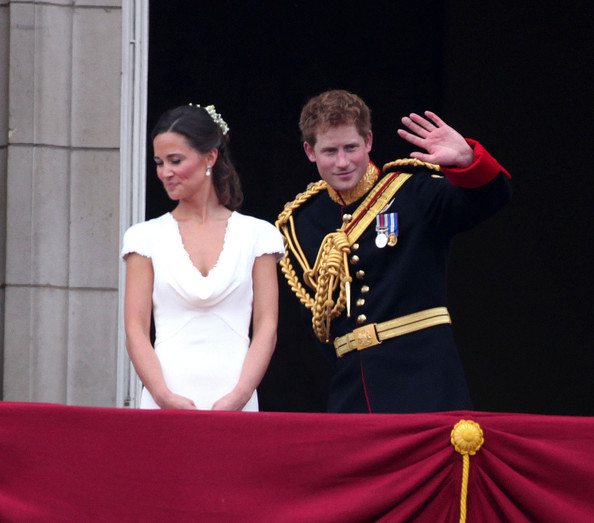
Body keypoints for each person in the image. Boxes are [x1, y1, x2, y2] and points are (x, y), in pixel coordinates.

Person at [276, 90, 511, 413]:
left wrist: (468, 161)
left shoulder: (412, 191)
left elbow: (491, 199)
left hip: (424, 382)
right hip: (352, 391)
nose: (342, 162)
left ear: (368, 141)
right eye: (330, 151)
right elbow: (318, 323)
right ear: (310, 151)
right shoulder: (301, 222)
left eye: (351, 148)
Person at [122, 104, 284, 411]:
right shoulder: (143, 237)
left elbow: (267, 326)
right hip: (163, 404)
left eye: (175, 160)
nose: (165, 172)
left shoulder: (258, 235)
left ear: (210, 157)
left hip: (237, 403)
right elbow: (135, 329)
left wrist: (239, 396)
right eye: (159, 163)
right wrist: (163, 397)